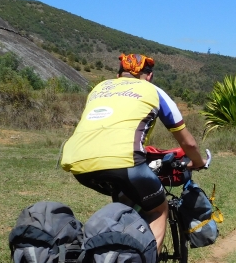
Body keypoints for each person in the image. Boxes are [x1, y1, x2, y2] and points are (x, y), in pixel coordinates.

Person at [61, 53, 208, 252]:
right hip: (126, 162)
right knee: (159, 208)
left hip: (78, 164)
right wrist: (198, 162)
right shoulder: (152, 90)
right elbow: (189, 144)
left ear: (118, 74)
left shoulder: (99, 88)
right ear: (149, 76)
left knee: (127, 201)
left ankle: (116, 256)